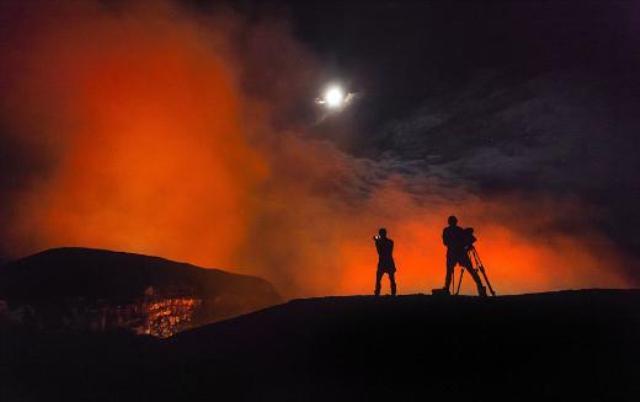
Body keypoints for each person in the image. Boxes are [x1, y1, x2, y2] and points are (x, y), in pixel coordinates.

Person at [442, 216, 487, 297]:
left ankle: (446, 289)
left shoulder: (447, 230)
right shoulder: (459, 230)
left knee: (449, 272)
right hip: (460, 253)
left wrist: (455, 245)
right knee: (471, 270)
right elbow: (468, 240)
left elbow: (445, 242)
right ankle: (480, 288)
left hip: (453, 254)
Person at [373, 228, 397, 296]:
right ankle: (393, 293)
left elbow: (380, 252)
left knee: (380, 278)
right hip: (388, 261)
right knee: (390, 278)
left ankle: (378, 292)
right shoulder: (390, 242)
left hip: (384, 261)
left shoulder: (386, 242)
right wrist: (378, 242)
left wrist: (377, 242)